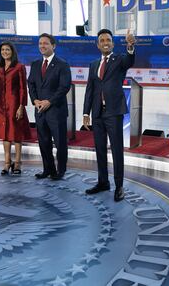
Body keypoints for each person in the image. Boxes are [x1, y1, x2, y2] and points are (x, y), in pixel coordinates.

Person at [83, 28, 136, 202]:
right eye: (102, 40)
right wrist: (86, 113)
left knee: (116, 149)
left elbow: (130, 60)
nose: (105, 43)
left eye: (108, 40)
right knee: (99, 149)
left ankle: (119, 186)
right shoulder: (93, 64)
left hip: (113, 112)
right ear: (98, 45)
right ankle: (103, 182)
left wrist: (130, 46)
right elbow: (90, 90)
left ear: (113, 43)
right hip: (97, 113)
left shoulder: (120, 59)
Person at [28, 33, 72, 180]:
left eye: (45, 43)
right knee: (44, 142)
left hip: (56, 110)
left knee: (60, 143)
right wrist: (35, 101)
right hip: (39, 110)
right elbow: (31, 84)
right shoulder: (35, 64)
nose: (42, 46)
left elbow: (64, 87)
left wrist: (49, 101)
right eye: (40, 43)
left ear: (53, 46)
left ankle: (60, 171)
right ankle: (48, 169)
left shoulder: (62, 64)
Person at [0, 41, 31, 175]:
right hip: (0, 105)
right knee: (5, 135)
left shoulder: (19, 67)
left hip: (15, 104)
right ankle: (7, 163)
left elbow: (22, 88)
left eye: (7, 50)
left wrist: (21, 106)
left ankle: (18, 163)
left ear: (12, 52)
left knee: (16, 134)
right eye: (2, 50)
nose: (5, 52)